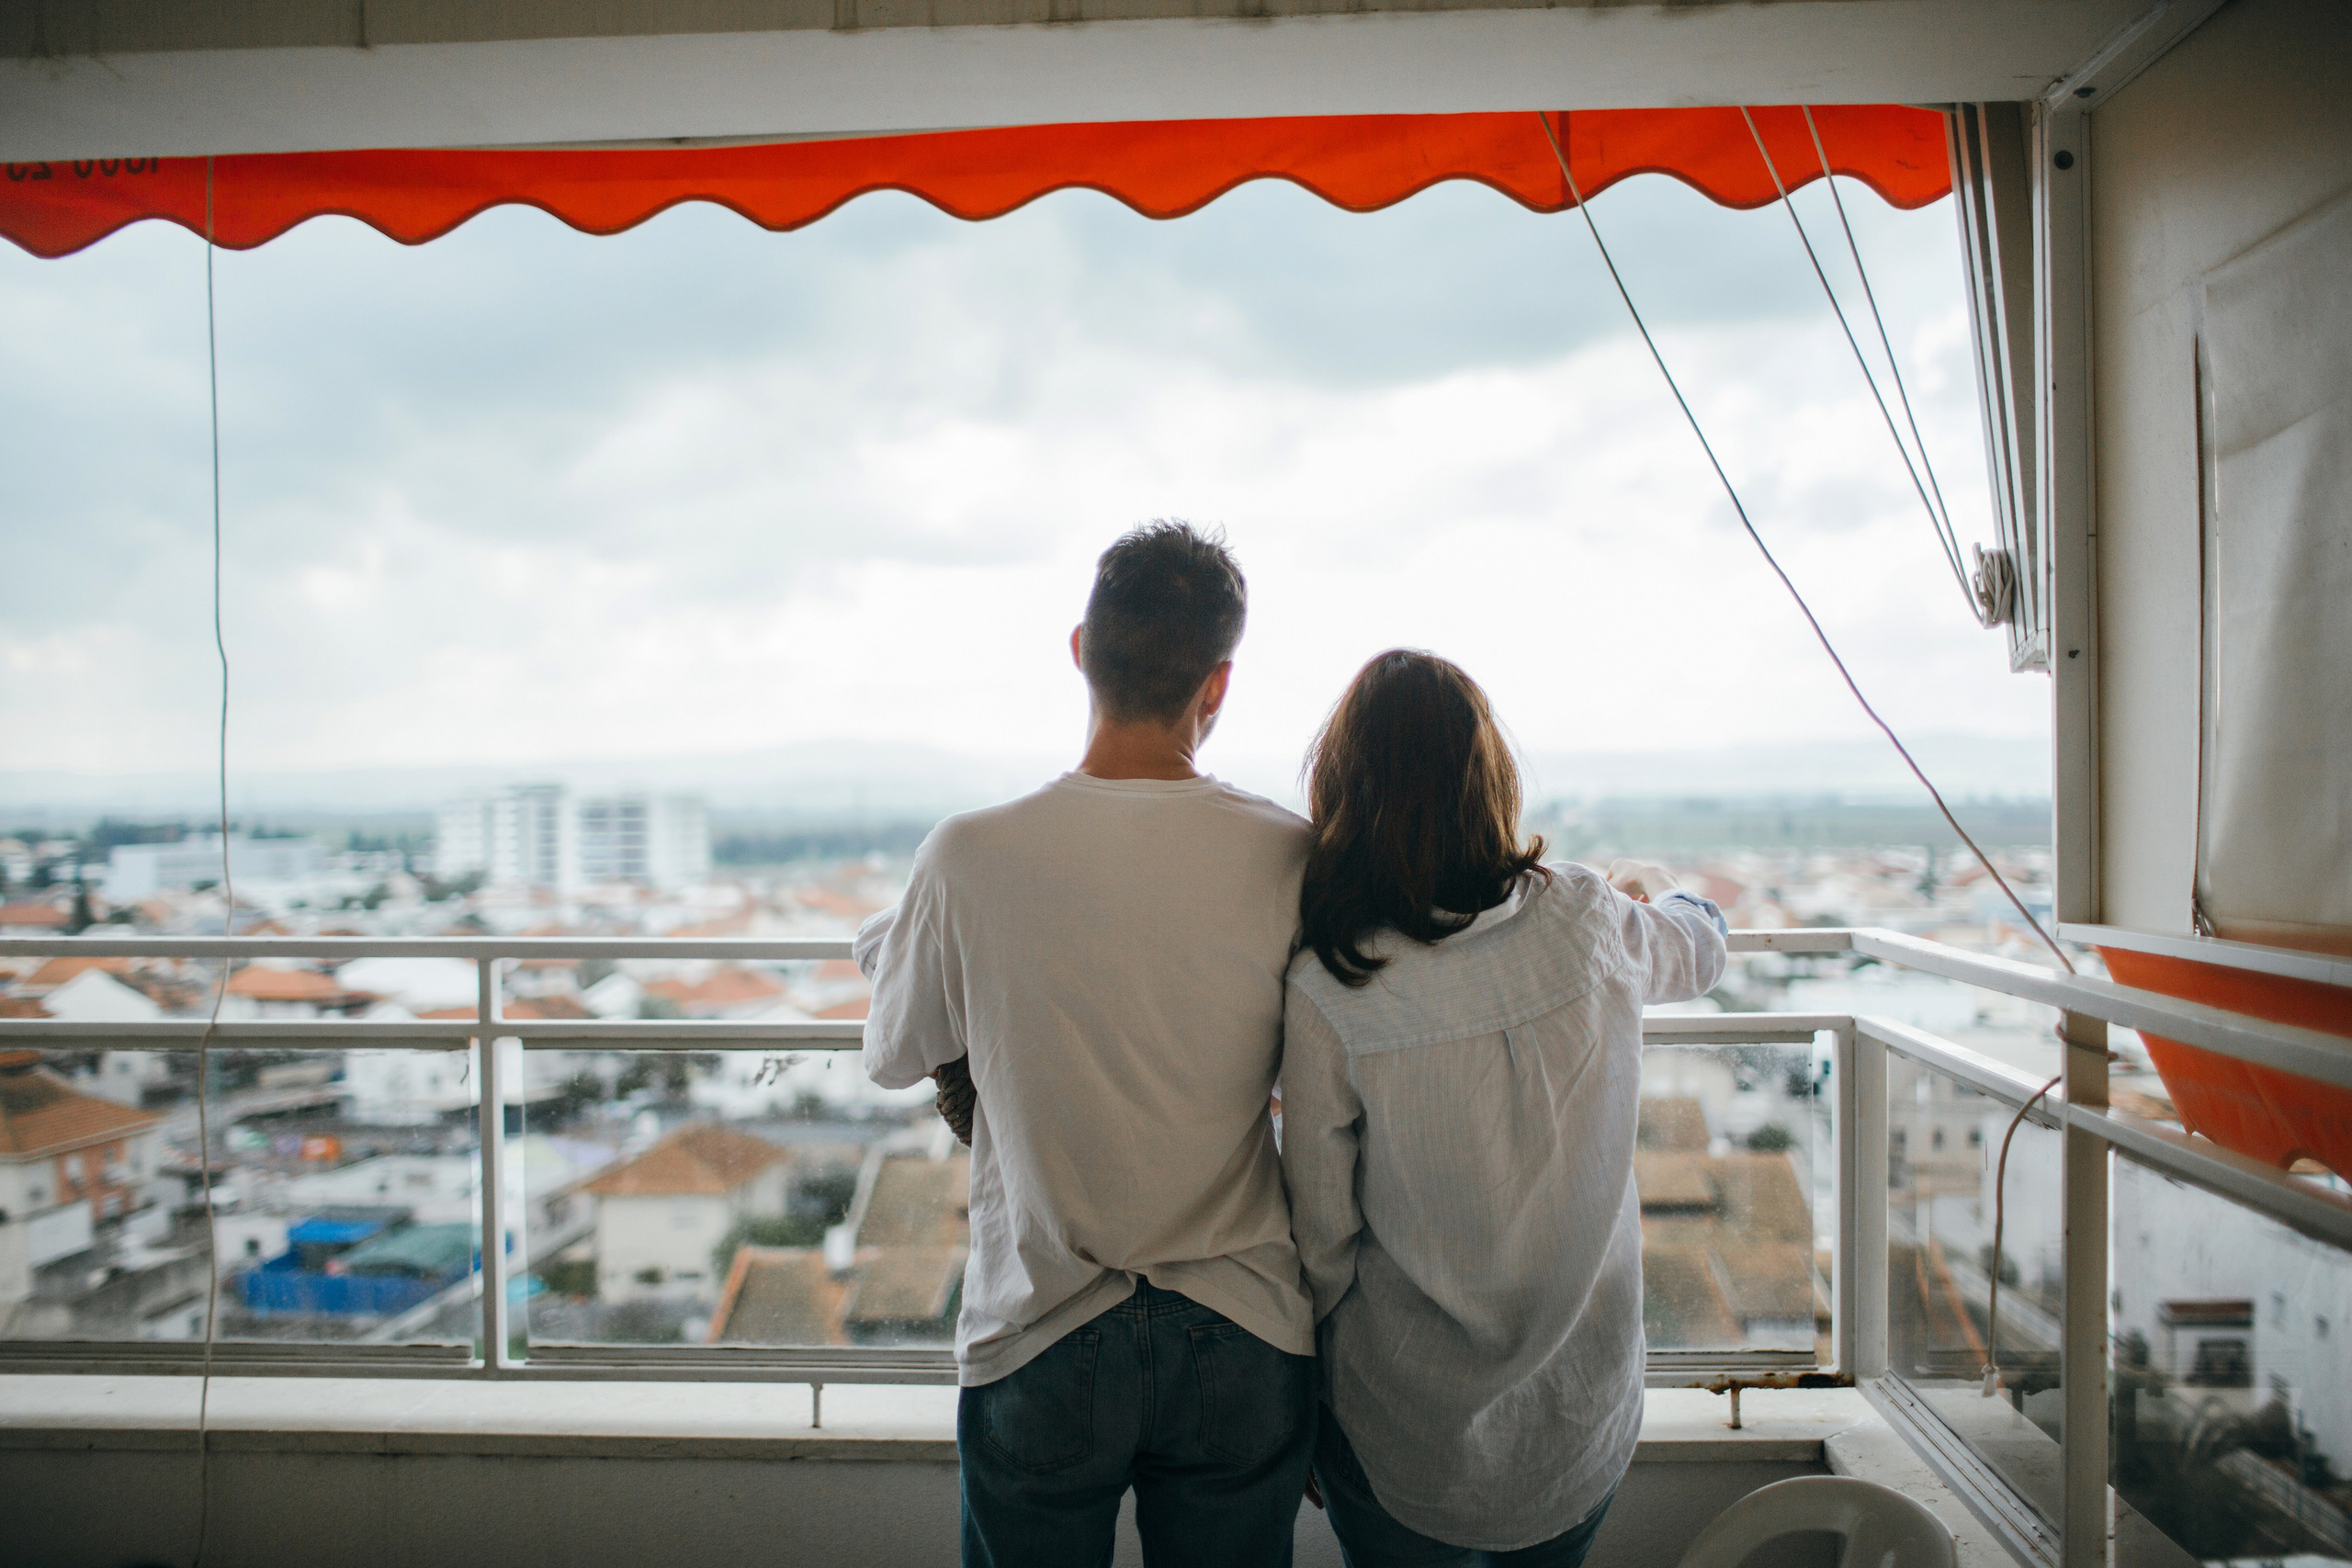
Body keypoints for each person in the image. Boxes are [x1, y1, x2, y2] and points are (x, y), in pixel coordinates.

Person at [857, 521, 1317, 1568]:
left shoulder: (969, 855)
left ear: (1080, 650)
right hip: (1240, 1316)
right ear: (1219, 685)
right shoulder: (1288, 852)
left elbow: (896, 1054)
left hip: (1043, 1319)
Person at [1279, 649, 1728, 1568]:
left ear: (1341, 790)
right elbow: (1698, 952)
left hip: (1403, 1427)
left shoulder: (1331, 987)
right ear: (1489, 778)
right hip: (1577, 1413)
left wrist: (1301, 1405)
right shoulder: (1588, 918)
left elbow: (1319, 1241)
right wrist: (1666, 890)